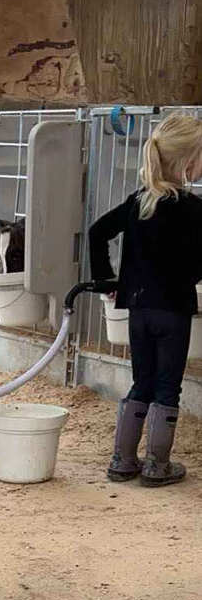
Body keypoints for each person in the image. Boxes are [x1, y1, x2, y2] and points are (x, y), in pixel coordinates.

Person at [89, 112, 202, 486]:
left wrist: (107, 280)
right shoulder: (193, 209)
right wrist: (190, 277)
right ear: (187, 162)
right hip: (174, 311)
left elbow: (97, 232)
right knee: (168, 387)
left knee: (142, 382)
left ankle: (122, 461)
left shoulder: (139, 202)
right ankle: (157, 466)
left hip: (136, 309)